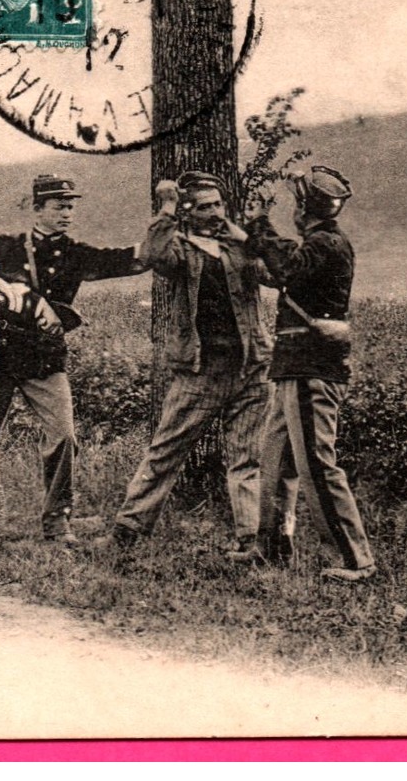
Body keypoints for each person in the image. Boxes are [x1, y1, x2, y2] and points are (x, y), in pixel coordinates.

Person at [0, 174, 147, 544]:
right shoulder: (8, 245)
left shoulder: (76, 253)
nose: (67, 213)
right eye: (59, 206)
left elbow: (130, 260)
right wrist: (39, 304)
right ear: (37, 209)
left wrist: (166, 226)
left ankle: (57, 522)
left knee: (64, 436)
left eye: (71, 206)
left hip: (44, 358)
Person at [96, 172, 277, 561]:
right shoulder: (179, 247)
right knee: (165, 452)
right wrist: (164, 210)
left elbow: (276, 274)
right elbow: (152, 256)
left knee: (247, 458)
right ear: (187, 212)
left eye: (219, 205)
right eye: (204, 207)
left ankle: (250, 542)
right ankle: (127, 531)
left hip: (252, 368)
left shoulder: (239, 245)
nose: (214, 213)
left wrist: (249, 237)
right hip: (201, 372)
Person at [242, 165, 376, 582]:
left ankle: (355, 560)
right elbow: (283, 270)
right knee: (278, 460)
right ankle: (272, 548)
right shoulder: (321, 244)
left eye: (296, 206)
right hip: (295, 365)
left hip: (309, 367)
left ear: (304, 208)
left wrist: (259, 223)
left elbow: (286, 268)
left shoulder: (324, 244)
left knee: (316, 464)